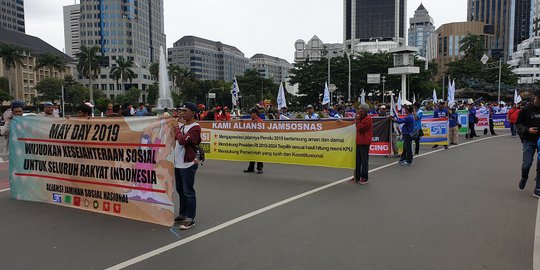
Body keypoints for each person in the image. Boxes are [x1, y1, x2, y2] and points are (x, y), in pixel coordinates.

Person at [173, 102, 202, 230]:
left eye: (185, 111)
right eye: (182, 111)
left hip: (188, 164)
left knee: (188, 192)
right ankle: (182, 213)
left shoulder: (195, 127)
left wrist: (177, 129)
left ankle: (190, 218)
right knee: (180, 190)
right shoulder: (183, 126)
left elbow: (182, 140)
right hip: (178, 163)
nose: (182, 113)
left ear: (193, 113)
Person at [516, 90, 540, 197]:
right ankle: (524, 177)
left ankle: (538, 188)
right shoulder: (526, 109)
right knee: (527, 164)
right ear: (535, 97)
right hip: (529, 140)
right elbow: (518, 124)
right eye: (539, 97)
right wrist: (527, 129)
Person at [350, 103, 372, 184]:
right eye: (358, 109)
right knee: (357, 161)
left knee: (364, 161)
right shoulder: (360, 118)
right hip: (358, 142)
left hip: (364, 142)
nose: (358, 110)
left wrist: (358, 120)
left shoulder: (368, 118)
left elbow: (361, 128)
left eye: (360, 109)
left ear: (364, 110)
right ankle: (357, 176)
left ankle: (364, 178)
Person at [244, 108, 264, 174]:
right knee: (251, 155)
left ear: (255, 113)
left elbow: (262, 130)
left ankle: (260, 168)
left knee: (258, 155)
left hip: (258, 140)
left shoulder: (259, 120)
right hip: (251, 140)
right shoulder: (250, 121)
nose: (250, 114)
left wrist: (256, 123)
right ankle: (251, 168)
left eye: (251, 113)